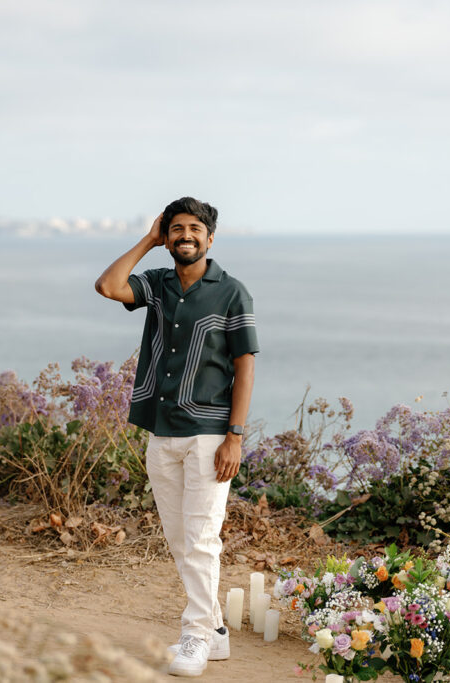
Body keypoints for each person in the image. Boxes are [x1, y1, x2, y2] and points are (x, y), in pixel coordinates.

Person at [94, 197, 258, 677]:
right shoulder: (157, 284)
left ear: (210, 238)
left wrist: (236, 437)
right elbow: (108, 286)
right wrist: (148, 238)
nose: (185, 236)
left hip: (209, 435)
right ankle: (217, 632)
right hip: (160, 430)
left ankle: (196, 637)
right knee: (180, 539)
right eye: (176, 229)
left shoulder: (231, 293)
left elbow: (245, 366)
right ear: (168, 236)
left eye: (194, 229)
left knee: (202, 538)